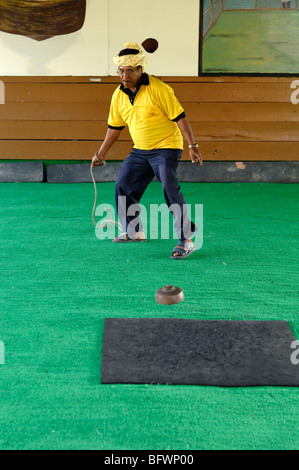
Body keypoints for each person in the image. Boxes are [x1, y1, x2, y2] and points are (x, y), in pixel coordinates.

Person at [91, 42, 203, 259]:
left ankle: (186, 240)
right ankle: (134, 232)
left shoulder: (159, 89)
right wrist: (101, 152)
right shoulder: (118, 95)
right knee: (123, 184)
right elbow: (115, 127)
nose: (125, 75)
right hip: (140, 150)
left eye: (130, 71)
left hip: (166, 147)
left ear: (141, 70)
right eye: (121, 71)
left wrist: (192, 145)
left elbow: (180, 117)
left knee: (169, 187)